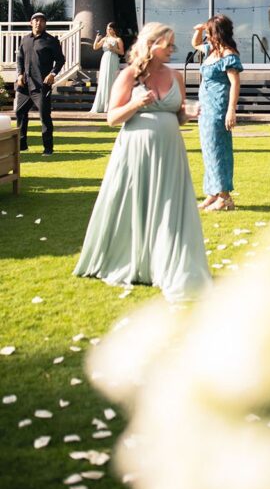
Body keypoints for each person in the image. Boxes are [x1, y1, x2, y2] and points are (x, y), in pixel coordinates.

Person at [74, 22, 211, 302]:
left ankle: (167, 262)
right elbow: (112, 118)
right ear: (151, 44)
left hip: (170, 153)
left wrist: (190, 112)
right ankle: (131, 258)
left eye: (173, 44)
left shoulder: (176, 77)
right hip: (135, 153)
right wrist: (136, 104)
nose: (172, 49)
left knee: (169, 208)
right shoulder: (129, 76)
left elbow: (177, 115)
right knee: (135, 203)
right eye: (168, 44)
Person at [191, 16, 242, 212]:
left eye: (209, 31)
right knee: (208, 150)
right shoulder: (210, 51)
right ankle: (212, 193)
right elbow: (195, 43)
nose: (207, 35)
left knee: (218, 150)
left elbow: (235, 83)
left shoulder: (228, 55)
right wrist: (200, 28)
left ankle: (225, 197)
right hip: (205, 108)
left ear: (217, 33)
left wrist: (231, 109)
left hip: (219, 107)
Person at [15, 12, 65, 155]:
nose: (38, 23)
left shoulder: (51, 41)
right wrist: (19, 74)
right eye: (36, 20)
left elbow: (61, 60)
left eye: (42, 21)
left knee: (44, 116)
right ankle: (22, 145)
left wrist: (52, 74)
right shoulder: (25, 40)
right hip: (25, 85)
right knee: (20, 113)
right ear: (31, 23)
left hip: (41, 86)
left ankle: (48, 149)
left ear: (45, 24)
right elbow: (19, 58)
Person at [90, 22, 125, 113]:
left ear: (114, 30)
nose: (108, 30)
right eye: (107, 28)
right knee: (104, 80)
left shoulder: (118, 39)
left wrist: (113, 48)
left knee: (112, 80)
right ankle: (102, 105)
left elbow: (122, 52)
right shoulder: (105, 39)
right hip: (105, 60)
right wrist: (97, 39)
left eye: (110, 28)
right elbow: (95, 47)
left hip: (113, 59)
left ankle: (112, 105)